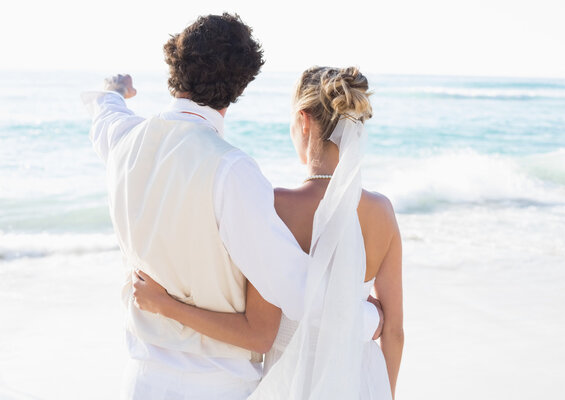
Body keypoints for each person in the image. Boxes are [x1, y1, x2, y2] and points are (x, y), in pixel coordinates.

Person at [81, 13, 382, 400]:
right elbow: (293, 285)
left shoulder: (124, 142)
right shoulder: (231, 170)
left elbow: (105, 117)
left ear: (174, 65)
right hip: (215, 386)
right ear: (240, 87)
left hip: (140, 381)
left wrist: (113, 90)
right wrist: (370, 320)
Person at [132, 66, 404, 399]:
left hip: (292, 385)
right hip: (362, 383)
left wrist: (165, 305)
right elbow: (394, 331)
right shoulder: (383, 212)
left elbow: (255, 333)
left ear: (303, 120)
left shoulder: (274, 206)